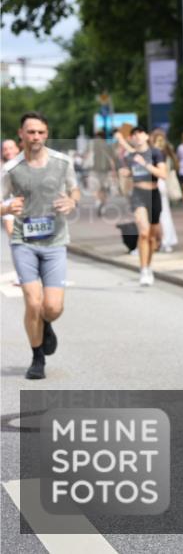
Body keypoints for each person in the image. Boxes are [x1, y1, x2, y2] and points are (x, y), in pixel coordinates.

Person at [0, 112, 80, 379]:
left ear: (47, 134)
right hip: (24, 241)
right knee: (33, 303)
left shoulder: (62, 162)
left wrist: (72, 202)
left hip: (55, 241)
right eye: (31, 132)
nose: (36, 137)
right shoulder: (10, 168)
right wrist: (7, 207)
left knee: (53, 308)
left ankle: (46, 324)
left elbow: (74, 189)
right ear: (21, 134)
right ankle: (37, 359)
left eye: (41, 132)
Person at [117, 125, 167, 286]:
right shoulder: (129, 156)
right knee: (144, 232)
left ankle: (148, 265)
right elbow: (127, 176)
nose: (137, 137)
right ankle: (143, 269)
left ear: (146, 136)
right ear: (131, 138)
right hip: (138, 194)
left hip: (153, 195)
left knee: (152, 237)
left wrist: (145, 164)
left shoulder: (155, 153)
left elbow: (163, 174)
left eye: (140, 133)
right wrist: (125, 175)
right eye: (134, 135)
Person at [150, 131, 179, 253]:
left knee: (160, 215)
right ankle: (167, 240)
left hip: (158, 184)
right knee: (165, 214)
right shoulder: (167, 152)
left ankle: (163, 241)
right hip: (164, 185)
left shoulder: (156, 154)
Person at [3, 138, 23, 285]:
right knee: (14, 240)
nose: (8, 151)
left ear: (17, 148)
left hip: (25, 206)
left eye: (11, 148)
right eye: (5, 149)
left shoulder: (25, 163)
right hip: (8, 206)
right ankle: (20, 274)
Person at [88, 130, 118, 216]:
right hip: (106, 171)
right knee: (104, 189)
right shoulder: (108, 146)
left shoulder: (92, 145)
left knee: (95, 188)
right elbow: (112, 160)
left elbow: (86, 155)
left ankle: (98, 201)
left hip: (94, 170)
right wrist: (114, 171)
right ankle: (103, 205)